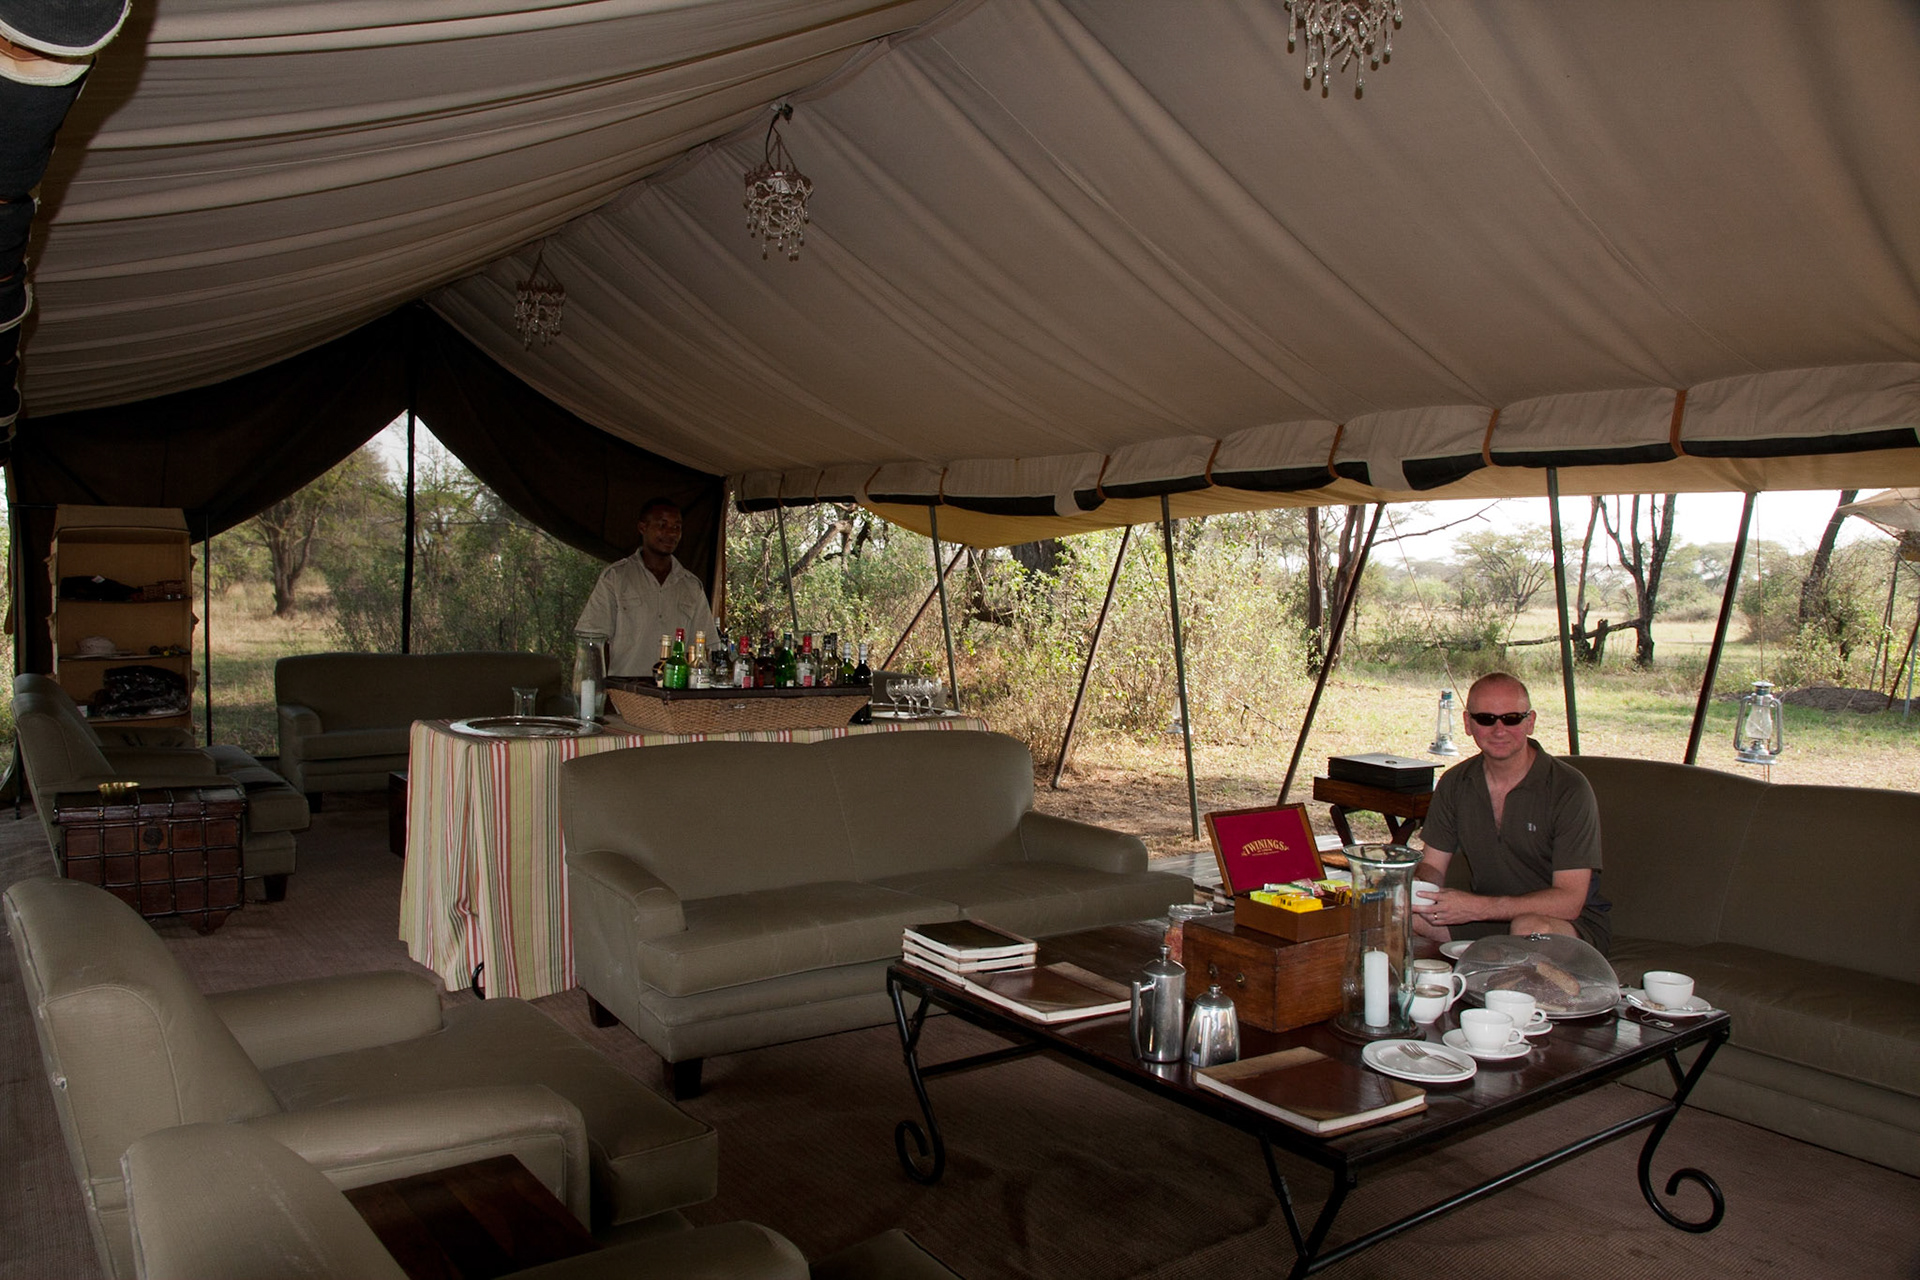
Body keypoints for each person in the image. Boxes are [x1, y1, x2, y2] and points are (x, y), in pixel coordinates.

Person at [1412, 671, 1610, 954]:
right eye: (1486, 719)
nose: (1499, 729)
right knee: (1404, 915)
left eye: (1512, 718)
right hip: (1486, 916)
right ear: (1468, 723)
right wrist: (1421, 892)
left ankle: (1502, 967)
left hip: (1562, 922)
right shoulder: (1455, 782)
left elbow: (1570, 900)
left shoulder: (1568, 788)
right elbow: (1432, 865)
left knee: (1528, 929)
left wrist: (1477, 908)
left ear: (1530, 722)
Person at [575, 498, 722, 677]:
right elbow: (593, 643)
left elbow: (705, 647)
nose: (671, 533)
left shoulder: (691, 586)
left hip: (673, 696)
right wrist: (603, 693)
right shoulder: (616, 577)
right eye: (662, 525)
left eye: (677, 527)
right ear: (642, 527)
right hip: (625, 695)